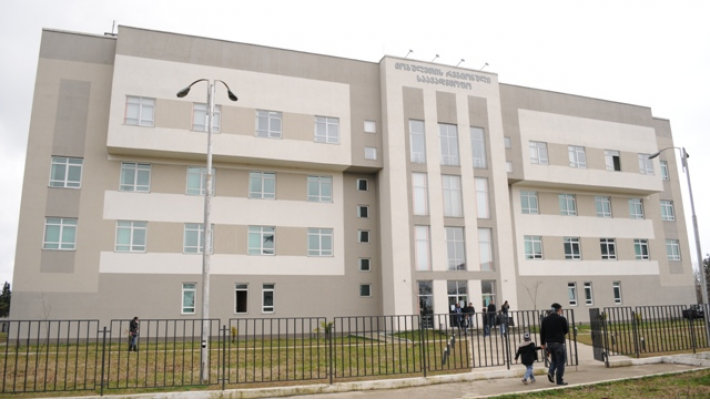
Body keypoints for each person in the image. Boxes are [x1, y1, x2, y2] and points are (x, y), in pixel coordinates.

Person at [540, 303, 569, 386]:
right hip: (559, 343)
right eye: (561, 310)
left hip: (550, 344)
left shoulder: (545, 320)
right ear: (558, 310)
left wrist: (543, 343)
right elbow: (566, 330)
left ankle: (551, 371)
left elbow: (542, 332)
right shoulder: (562, 319)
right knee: (561, 362)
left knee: (554, 360)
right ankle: (559, 380)